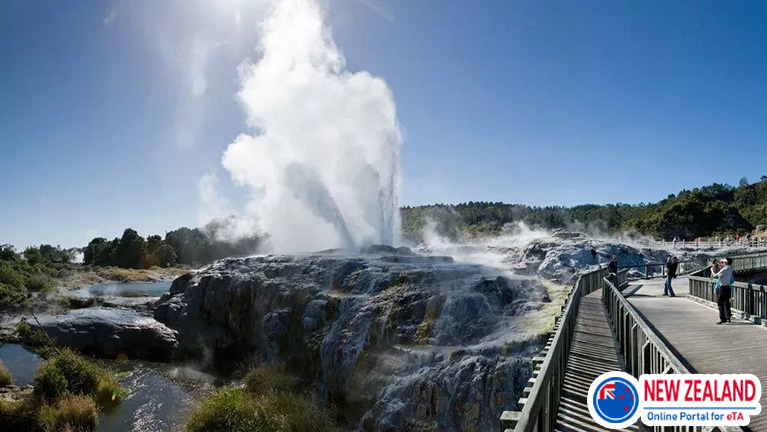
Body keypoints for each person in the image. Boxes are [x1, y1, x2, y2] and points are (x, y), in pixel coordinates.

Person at [711, 258, 733, 324]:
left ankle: (722, 319)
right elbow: (723, 269)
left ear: (726, 263)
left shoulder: (724, 270)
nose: (722, 263)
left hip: (722, 288)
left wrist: (712, 270)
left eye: (723, 262)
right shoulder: (730, 268)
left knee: (720, 303)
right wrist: (719, 263)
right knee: (726, 302)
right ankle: (728, 317)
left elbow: (714, 276)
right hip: (728, 288)